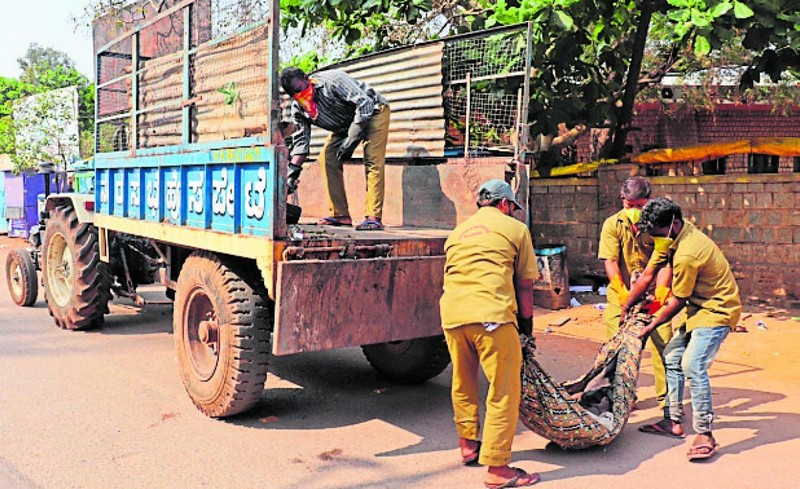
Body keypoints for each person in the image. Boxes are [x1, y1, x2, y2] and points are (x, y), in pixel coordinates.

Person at [439, 179, 540, 488]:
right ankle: (498, 469)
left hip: (453, 315)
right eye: (512, 207)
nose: (512, 212)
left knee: (463, 380)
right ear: (505, 204)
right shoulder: (516, 230)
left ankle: (468, 445)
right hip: (492, 316)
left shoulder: (457, 233)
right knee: (503, 390)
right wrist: (526, 328)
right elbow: (525, 284)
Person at [627, 197, 741, 461]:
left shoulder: (688, 252)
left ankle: (705, 433)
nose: (654, 239)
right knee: (671, 356)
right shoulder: (672, 236)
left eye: (656, 233)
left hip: (718, 311)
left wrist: (652, 323)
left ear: (673, 224)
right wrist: (629, 306)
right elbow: (650, 273)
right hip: (698, 311)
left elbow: (677, 300)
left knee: (693, 365)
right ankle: (673, 420)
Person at [280, 67, 391, 231]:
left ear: (306, 78)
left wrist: (351, 140)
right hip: (345, 123)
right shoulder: (299, 109)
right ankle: (341, 215)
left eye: (299, 89)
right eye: (293, 94)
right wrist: (292, 174)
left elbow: (365, 103)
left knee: (372, 161)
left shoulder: (332, 81)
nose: (299, 96)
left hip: (374, 111)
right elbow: (301, 142)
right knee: (328, 159)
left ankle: (373, 217)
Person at [598, 176, 672, 411]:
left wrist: (660, 298)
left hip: (654, 295)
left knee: (664, 345)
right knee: (616, 347)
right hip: (623, 294)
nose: (635, 211)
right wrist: (623, 296)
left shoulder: (660, 224)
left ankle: (667, 401)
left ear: (649, 201)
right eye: (630, 206)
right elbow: (610, 261)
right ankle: (622, 397)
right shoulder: (612, 224)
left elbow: (666, 264)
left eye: (640, 206)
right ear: (622, 201)